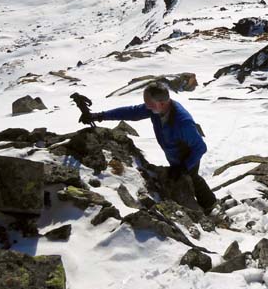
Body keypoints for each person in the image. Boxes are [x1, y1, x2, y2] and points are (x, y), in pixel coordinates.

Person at [80, 81, 217, 213]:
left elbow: (200, 147)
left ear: (162, 103)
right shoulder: (156, 109)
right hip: (173, 155)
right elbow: (132, 112)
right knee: (185, 180)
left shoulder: (183, 122)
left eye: (149, 104)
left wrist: (184, 167)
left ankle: (210, 205)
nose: (146, 107)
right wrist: (100, 116)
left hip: (187, 156)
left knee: (192, 177)